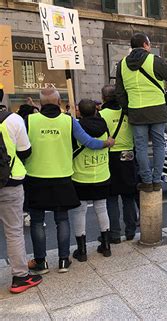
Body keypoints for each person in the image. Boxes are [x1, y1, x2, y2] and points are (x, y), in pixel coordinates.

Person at [24, 88, 115, 274]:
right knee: (62, 219)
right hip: (62, 176)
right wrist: (105, 143)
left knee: (37, 221)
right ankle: (64, 260)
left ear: (41, 104)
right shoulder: (69, 121)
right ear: (59, 102)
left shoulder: (29, 121)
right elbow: (88, 142)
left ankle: (41, 263)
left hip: (35, 177)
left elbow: (22, 148)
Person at [115, 32, 167, 192]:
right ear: (145, 45)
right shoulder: (154, 60)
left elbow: (119, 92)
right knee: (159, 144)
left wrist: (127, 109)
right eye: (149, 44)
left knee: (141, 147)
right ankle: (157, 180)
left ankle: (146, 181)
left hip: (136, 111)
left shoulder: (122, 64)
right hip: (157, 110)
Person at [0, 86, 43, 294]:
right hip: (9, 181)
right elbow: (25, 151)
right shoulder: (13, 120)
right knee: (13, 231)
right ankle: (20, 277)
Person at [70, 99, 113, 262]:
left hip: (80, 175)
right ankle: (106, 246)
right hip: (102, 174)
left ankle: (81, 251)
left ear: (79, 112)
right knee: (102, 208)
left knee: (80, 211)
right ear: (96, 110)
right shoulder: (104, 125)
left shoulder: (76, 127)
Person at [100, 85, 138, 243]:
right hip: (128, 155)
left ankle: (114, 234)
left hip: (109, 156)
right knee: (128, 195)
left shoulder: (101, 115)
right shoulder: (128, 113)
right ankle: (130, 231)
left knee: (111, 197)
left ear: (103, 98)